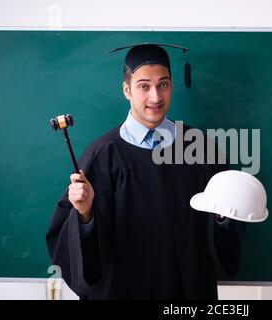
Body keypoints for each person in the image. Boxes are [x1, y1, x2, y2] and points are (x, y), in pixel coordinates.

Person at [46, 44, 241, 300]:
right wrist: (84, 214)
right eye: (143, 86)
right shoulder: (103, 155)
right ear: (127, 90)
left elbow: (226, 226)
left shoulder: (201, 148)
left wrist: (222, 218)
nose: (155, 97)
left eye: (163, 84)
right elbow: (71, 243)